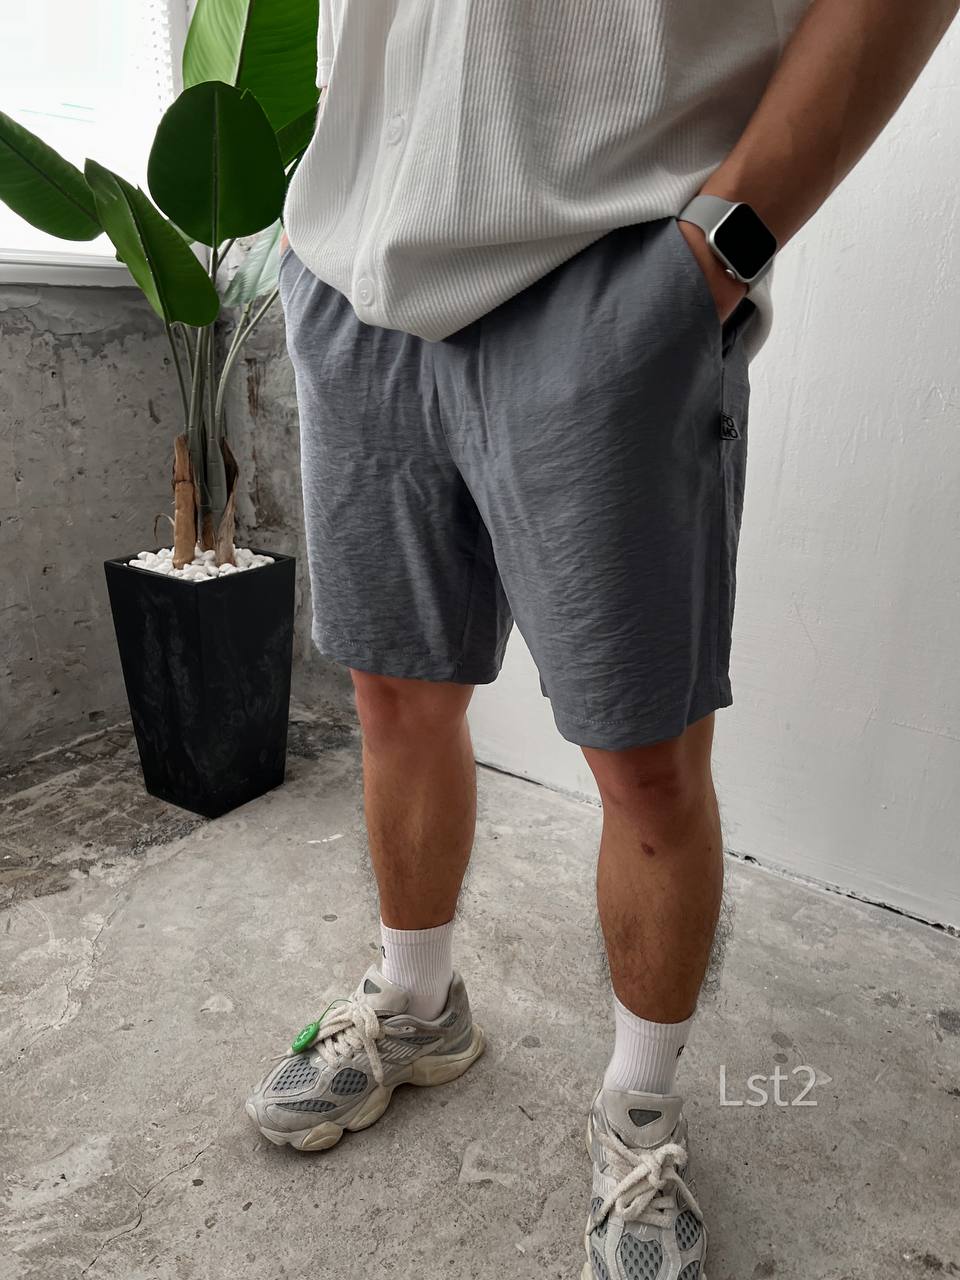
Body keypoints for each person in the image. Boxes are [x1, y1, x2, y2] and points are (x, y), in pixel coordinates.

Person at [247, 2, 958, 1273]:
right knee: (395, 702)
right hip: (358, 279)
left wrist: (719, 250)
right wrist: (312, 232)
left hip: (612, 274)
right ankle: (416, 1001)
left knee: (646, 765)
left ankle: (638, 1106)